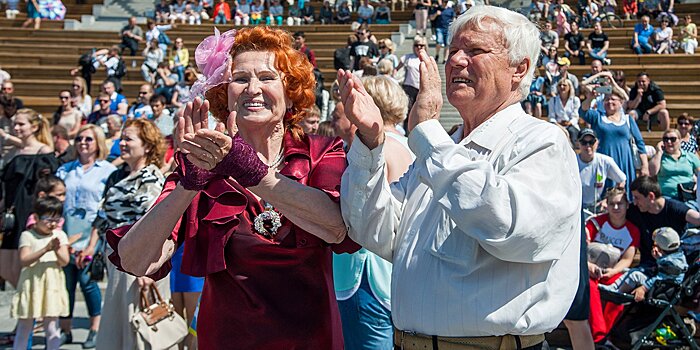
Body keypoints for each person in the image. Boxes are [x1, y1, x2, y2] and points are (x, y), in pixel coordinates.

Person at [338, 6, 580, 348]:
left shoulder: (541, 142)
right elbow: (376, 231)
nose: (455, 61)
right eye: (452, 51)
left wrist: (427, 135)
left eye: (475, 51)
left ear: (519, 68)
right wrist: (370, 142)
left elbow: (509, 227)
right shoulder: (444, 148)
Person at [105, 27, 360, 348]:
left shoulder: (321, 151)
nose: (252, 88)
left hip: (310, 339)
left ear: (291, 89)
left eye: (267, 77)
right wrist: (188, 184)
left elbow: (337, 229)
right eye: (240, 79)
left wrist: (252, 172)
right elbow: (135, 260)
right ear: (224, 93)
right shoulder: (202, 161)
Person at [333, 75, 413, 350]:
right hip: (400, 277)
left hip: (364, 274)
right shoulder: (410, 146)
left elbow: (354, 208)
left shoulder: (373, 150)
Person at [87, 119, 167, 350]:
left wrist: (149, 269)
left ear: (148, 146)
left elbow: (156, 226)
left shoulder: (151, 178)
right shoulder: (117, 175)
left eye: (128, 139)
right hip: (117, 259)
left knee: (136, 327)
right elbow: (102, 217)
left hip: (138, 261)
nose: (122, 143)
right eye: (121, 138)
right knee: (118, 322)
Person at [55, 125, 117, 347]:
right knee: (66, 282)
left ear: (98, 142)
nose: (83, 142)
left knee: (87, 280)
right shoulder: (65, 170)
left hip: (93, 231)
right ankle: (65, 329)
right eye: (79, 138)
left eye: (88, 139)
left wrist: (92, 244)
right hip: (67, 230)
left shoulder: (107, 171)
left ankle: (94, 327)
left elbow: (105, 206)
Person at [0, 109, 57, 286]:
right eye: (15, 123)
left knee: (23, 266)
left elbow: (48, 186)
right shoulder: (18, 151)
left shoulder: (43, 150)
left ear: (34, 127)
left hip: (29, 212)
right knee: (5, 267)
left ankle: (31, 311)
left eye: (21, 124)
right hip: (12, 213)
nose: (16, 127)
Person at [11, 197, 69, 350]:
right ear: (36, 218)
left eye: (57, 219)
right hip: (31, 285)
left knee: (51, 327)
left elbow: (64, 261)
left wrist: (56, 249)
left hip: (52, 285)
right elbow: (24, 260)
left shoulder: (59, 236)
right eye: (48, 219)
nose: (53, 224)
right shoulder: (27, 235)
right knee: (25, 327)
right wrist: (45, 249)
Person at [585, 187, 640, 342]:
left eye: (620, 204)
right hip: (590, 268)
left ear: (627, 205)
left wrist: (612, 271)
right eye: (612, 204)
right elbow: (580, 249)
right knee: (590, 287)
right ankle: (599, 335)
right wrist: (588, 265)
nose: (616, 208)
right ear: (607, 205)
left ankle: (605, 337)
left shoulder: (632, 230)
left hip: (612, 270)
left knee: (619, 292)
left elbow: (627, 259)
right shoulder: (596, 223)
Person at [581, 81, 649, 197]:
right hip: (604, 164)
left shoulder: (628, 119)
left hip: (624, 162)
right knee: (604, 197)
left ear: (621, 102)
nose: (610, 102)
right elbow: (583, 112)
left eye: (613, 99)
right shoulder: (598, 117)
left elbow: (640, 144)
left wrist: (645, 166)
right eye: (607, 99)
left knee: (625, 197)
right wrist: (590, 98)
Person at [627, 176, 700, 269]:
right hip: (648, 265)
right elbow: (615, 210)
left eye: (637, 198)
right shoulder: (635, 210)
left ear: (651, 196)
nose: (635, 202)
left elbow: (697, 219)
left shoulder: (674, 208)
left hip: (675, 266)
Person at [600, 227, 687, 302]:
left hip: (663, 288)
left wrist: (643, 288)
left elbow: (659, 278)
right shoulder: (677, 255)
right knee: (634, 270)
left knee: (635, 275)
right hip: (662, 284)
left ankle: (618, 293)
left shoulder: (670, 263)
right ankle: (613, 287)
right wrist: (658, 259)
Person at [577, 128, 626, 213]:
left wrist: (608, 199)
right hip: (576, 206)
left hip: (597, 206)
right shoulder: (572, 161)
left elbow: (621, 180)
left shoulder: (605, 161)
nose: (588, 146)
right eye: (584, 143)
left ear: (597, 143)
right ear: (578, 144)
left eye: (591, 142)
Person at [649, 128, 700, 200]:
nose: (669, 142)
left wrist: (697, 185)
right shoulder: (659, 157)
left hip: (687, 195)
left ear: (680, 140)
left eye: (673, 139)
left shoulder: (690, 156)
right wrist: (659, 152)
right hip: (666, 197)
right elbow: (652, 172)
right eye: (666, 139)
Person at [396, 36, 425, 118]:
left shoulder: (427, 59)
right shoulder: (407, 57)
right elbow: (396, 69)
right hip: (408, 87)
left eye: (421, 45)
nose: (419, 47)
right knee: (408, 112)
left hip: (421, 88)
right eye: (416, 45)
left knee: (420, 113)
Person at [549, 78, 581, 146]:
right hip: (557, 125)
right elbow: (551, 117)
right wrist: (558, 124)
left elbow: (575, 117)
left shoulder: (575, 100)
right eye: (560, 85)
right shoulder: (553, 100)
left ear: (569, 87)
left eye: (564, 85)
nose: (562, 87)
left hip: (571, 126)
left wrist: (569, 123)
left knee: (572, 132)